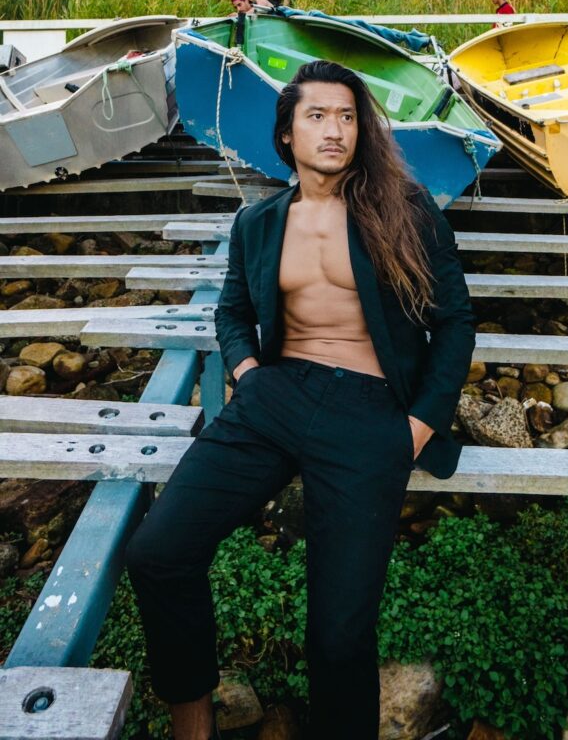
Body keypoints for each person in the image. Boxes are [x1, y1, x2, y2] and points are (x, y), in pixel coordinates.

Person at [125, 59, 475, 740]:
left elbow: (455, 321)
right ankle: (192, 725)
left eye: (347, 116)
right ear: (287, 133)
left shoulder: (403, 210)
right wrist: (248, 371)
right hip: (275, 398)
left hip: (371, 413)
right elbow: (231, 312)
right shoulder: (258, 223)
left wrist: (416, 427)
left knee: (340, 636)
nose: (335, 130)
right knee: (158, 552)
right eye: (317, 116)